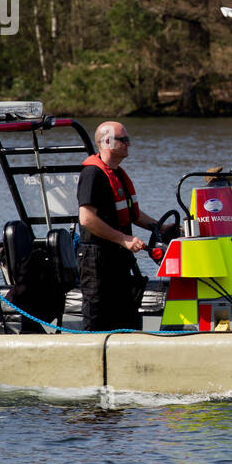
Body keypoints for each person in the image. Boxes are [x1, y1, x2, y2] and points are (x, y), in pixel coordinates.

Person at [76, 122, 158, 331]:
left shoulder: (118, 174)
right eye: (124, 140)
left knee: (127, 319)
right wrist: (124, 239)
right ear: (107, 142)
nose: (129, 144)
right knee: (97, 319)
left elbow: (133, 215)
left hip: (119, 259)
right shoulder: (92, 174)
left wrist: (161, 227)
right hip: (97, 261)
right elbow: (86, 219)